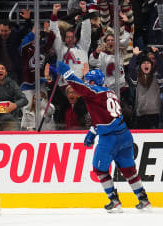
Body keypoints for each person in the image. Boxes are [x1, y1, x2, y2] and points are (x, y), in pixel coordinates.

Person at [57, 61, 151, 212]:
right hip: (124, 135)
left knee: (99, 169)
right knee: (128, 170)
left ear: (93, 82)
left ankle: (114, 200)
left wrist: (67, 73)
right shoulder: (110, 93)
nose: (87, 84)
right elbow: (105, 117)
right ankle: (143, 198)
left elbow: (79, 87)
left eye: (89, 81)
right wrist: (92, 132)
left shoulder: (94, 92)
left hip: (110, 139)